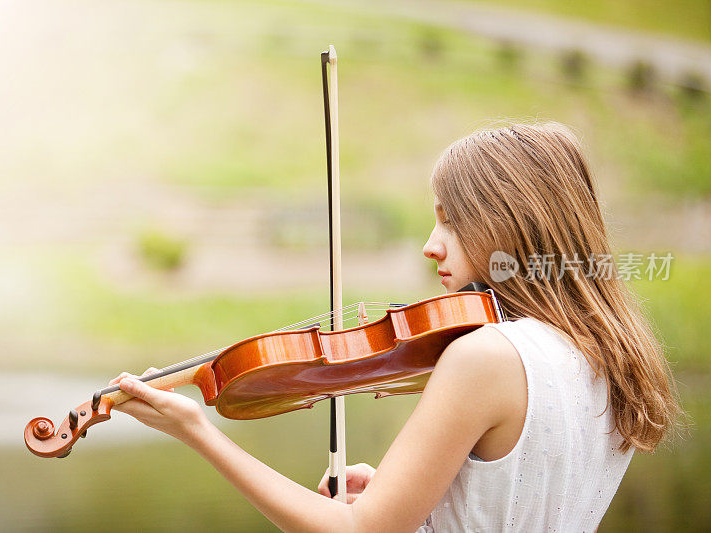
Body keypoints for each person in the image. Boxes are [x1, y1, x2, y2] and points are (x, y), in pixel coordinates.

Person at [110, 122, 679, 532]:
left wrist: (199, 433)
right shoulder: (609, 356)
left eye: (450, 222)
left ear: (507, 224)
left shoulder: (486, 357)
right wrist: (420, 494)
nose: (432, 246)